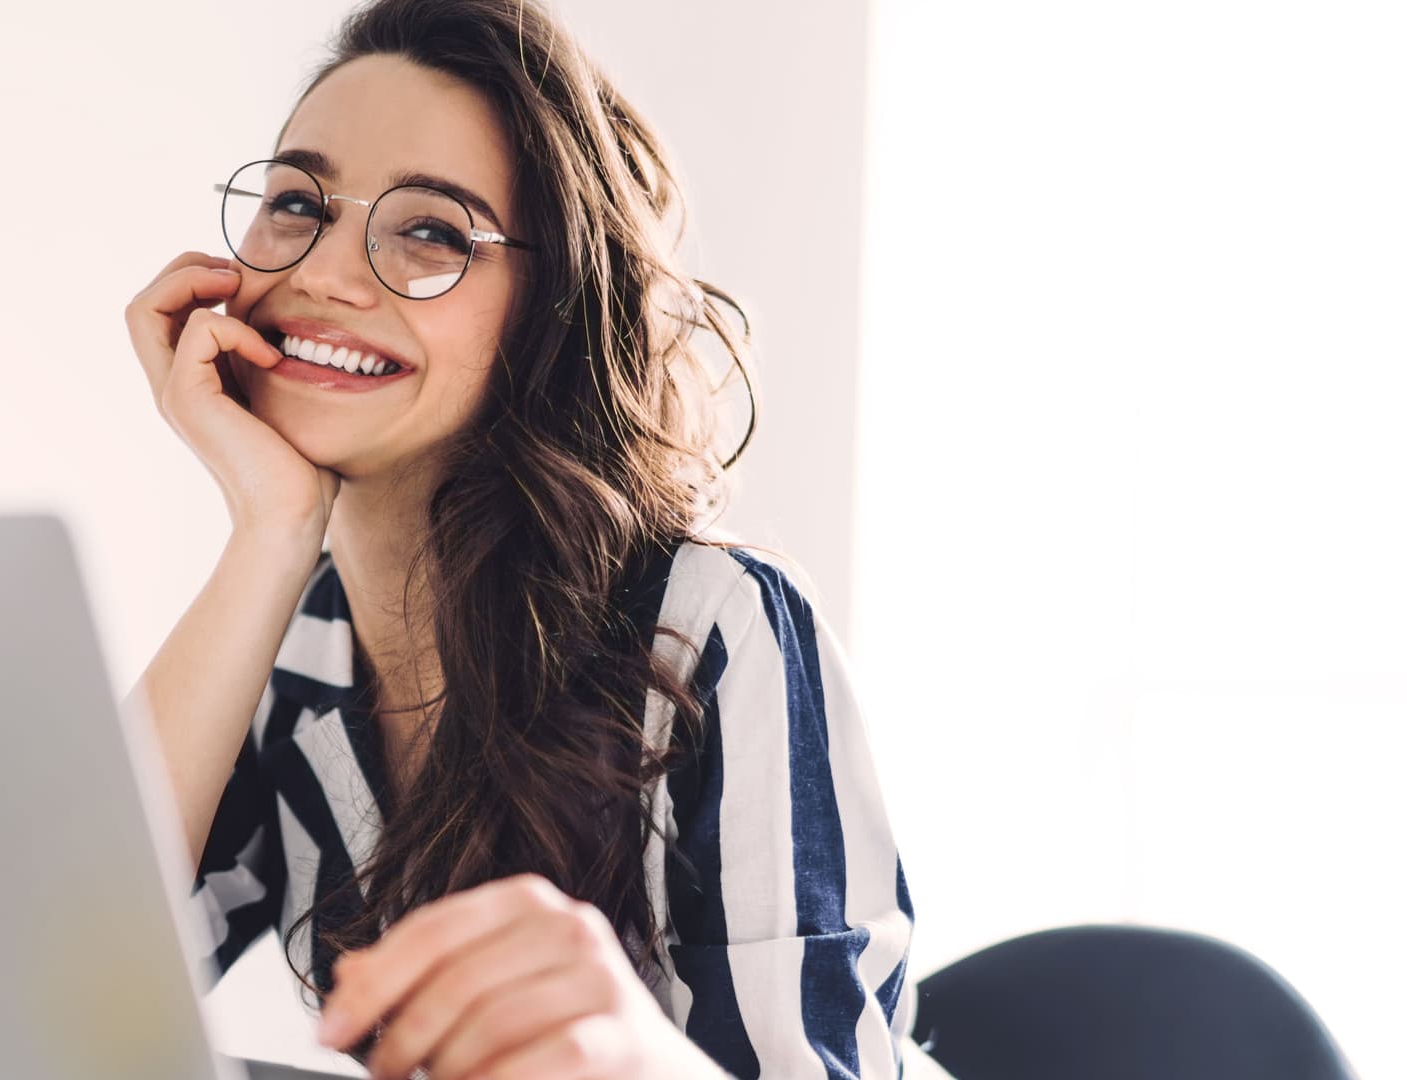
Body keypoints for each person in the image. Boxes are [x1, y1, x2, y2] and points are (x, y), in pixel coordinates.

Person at [122, 1, 928, 1077]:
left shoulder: (709, 626)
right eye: (297, 203)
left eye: (430, 231)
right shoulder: (288, 642)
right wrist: (268, 529)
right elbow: (42, 983)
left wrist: (632, 1055)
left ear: (547, 306)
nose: (324, 273)